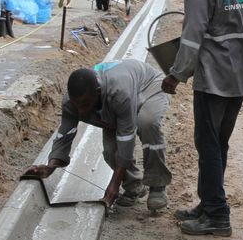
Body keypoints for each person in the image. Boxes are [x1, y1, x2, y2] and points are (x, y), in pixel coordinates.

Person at [162, 0, 243, 237]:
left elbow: (193, 34)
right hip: (241, 74)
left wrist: (176, 74)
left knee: (208, 143)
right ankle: (208, 203)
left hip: (215, 76)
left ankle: (217, 214)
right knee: (219, 143)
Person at [24, 59, 172, 211]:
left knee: (147, 123)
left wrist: (113, 186)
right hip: (114, 103)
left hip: (149, 87)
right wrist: (50, 167)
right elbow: (64, 135)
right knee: (110, 152)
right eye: (77, 106)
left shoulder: (119, 94)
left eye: (86, 104)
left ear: (98, 92)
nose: (81, 112)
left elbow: (126, 140)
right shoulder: (71, 102)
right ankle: (134, 186)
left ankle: (157, 185)